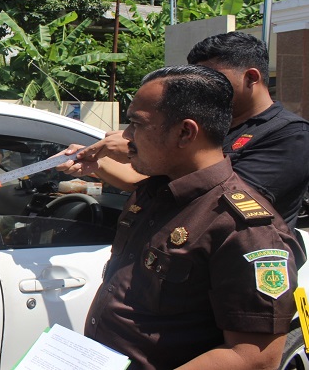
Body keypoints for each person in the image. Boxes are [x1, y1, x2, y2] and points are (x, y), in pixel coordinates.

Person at [83, 64, 304, 370]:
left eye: (137, 124)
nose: (127, 137)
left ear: (185, 132)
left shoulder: (243, 228)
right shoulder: (154, 192)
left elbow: (254, 357)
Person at [59, 31, 309, 229]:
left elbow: (219, 199)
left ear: (251, 78)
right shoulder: (214, 127)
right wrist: (97, 163)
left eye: (213, 79)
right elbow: (150, 182)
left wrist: (139, 148)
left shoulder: (291, 136)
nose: (201, 90)